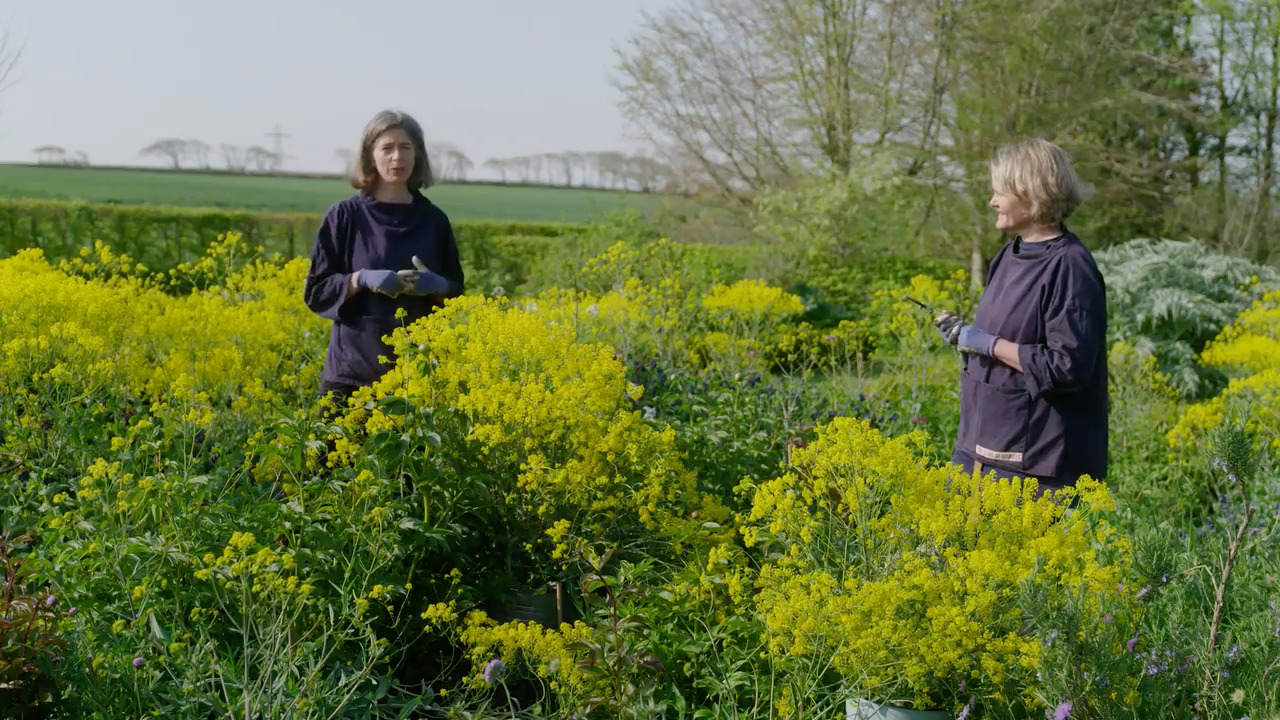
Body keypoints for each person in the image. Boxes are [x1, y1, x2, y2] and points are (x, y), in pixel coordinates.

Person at [934, 138, 1108, 501]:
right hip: (979, 443)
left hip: (1036, 462)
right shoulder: (1008, 255)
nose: (992, 201)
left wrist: (988, 344)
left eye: (1000, 192)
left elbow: (1067, 366)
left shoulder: (1070, 266)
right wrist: (965, 337)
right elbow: (1005, 337)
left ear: (1031, 194)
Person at [303, 110, 464, 410]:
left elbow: (457, 293)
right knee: (333, 458)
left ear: (418, 155)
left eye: (405, 147)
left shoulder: (434, 221)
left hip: (415, 378)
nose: (396, 157)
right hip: (350, 375)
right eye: (386, 148)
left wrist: (437, 285)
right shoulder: (344, 216)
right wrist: (359, 279)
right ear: (369, 155)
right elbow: (316, 291)